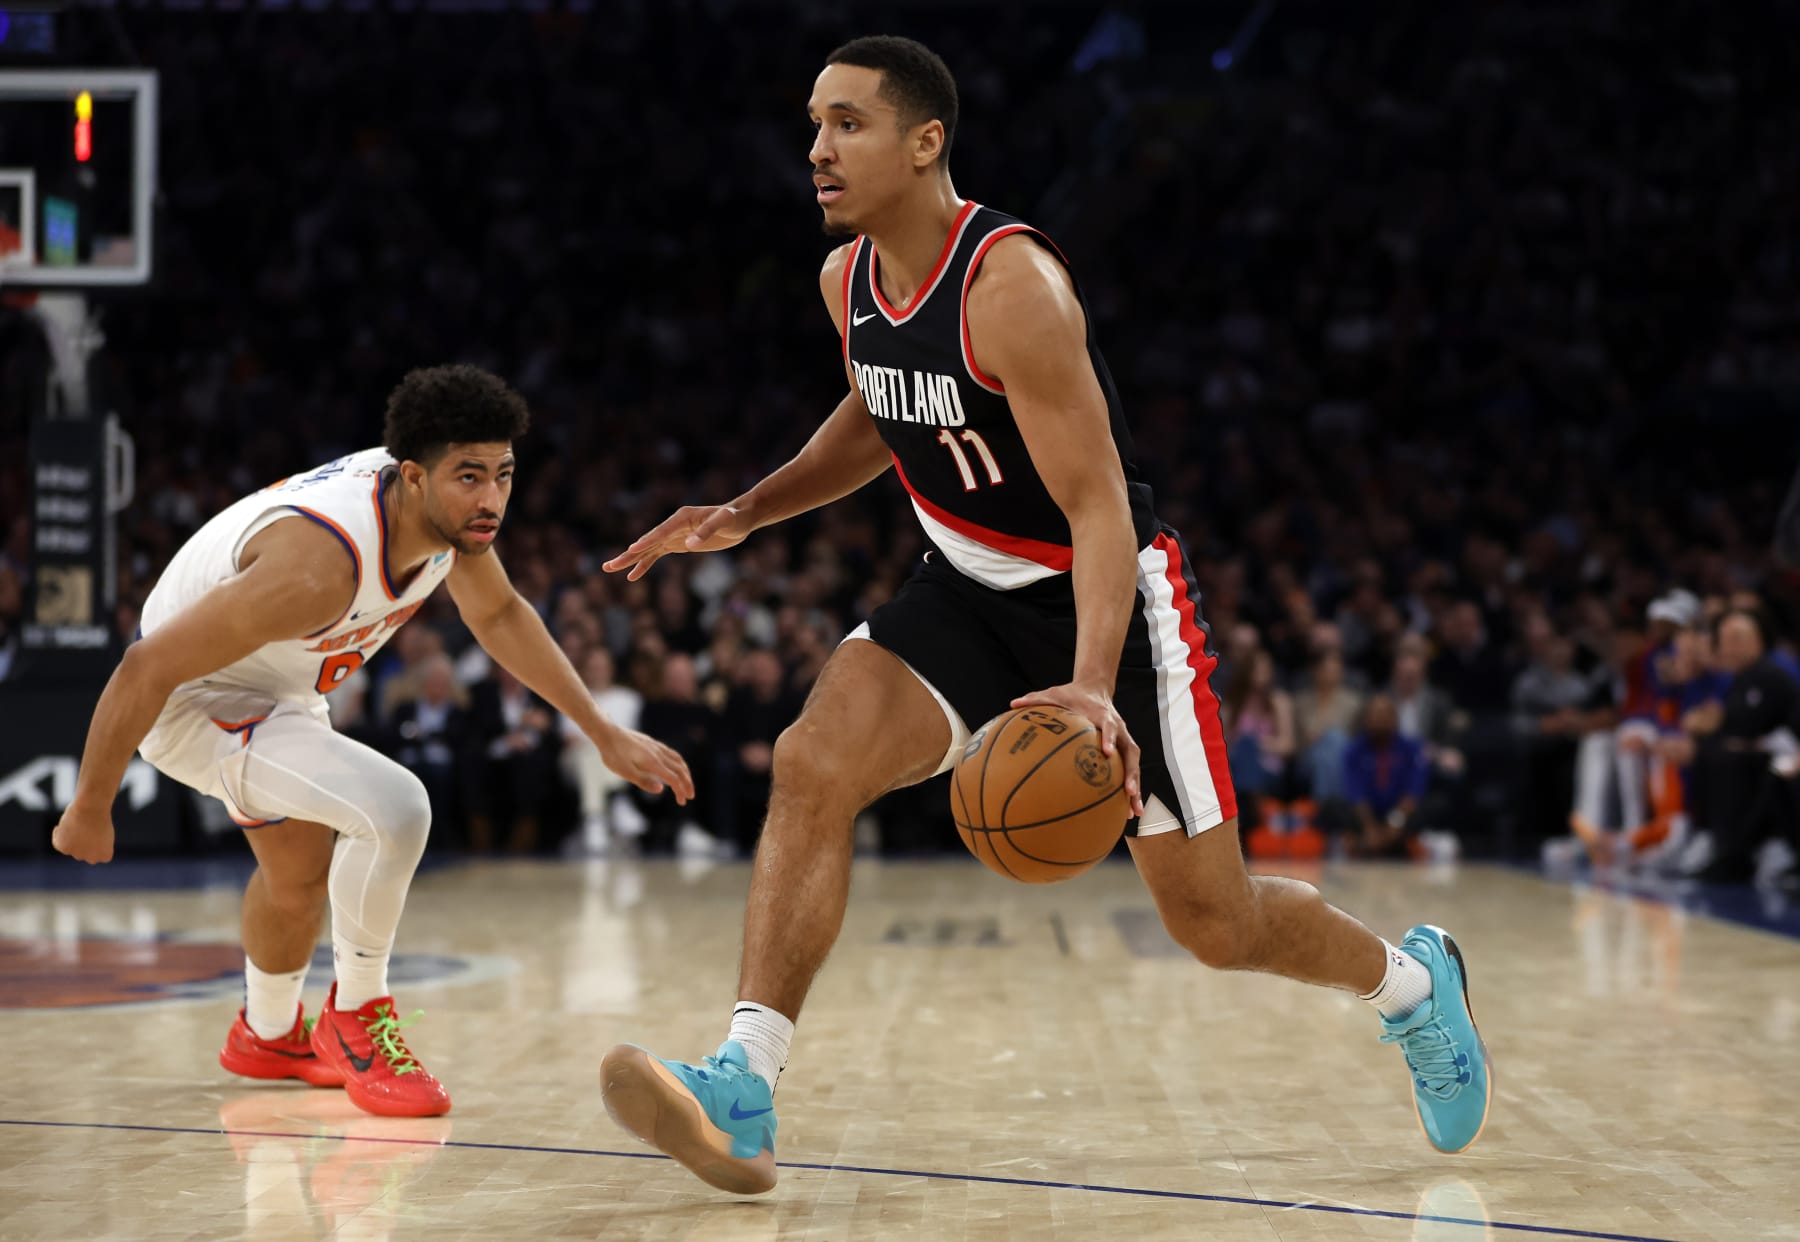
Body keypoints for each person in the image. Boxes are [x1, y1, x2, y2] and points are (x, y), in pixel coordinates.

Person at [596, 36, 1489, 1194]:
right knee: (811, 758)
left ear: (926, 144)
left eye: (848, 124)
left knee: (1213, 924)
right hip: (963, 587)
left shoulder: (1013, 287)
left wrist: (1089, 678)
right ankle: (744, 1085)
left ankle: (1414, 987)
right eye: (813, 124)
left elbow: (1098, 505)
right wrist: (750, 510)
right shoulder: (845, 281)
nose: (816, 149)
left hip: (1105, 599)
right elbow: (879, 413)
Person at [49, 364, 693, 1117]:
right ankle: (356, 1017)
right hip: (194, 697)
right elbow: (146, 664)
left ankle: (266, 1035)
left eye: (504, 475)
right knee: (395, 809)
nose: (491, 499)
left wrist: (602, 732)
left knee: (296, 879)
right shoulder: (319, 566)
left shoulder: (449, 521)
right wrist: (91, 804)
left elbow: (500, 617)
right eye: (470, 477)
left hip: (277, 684)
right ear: (414, 477)